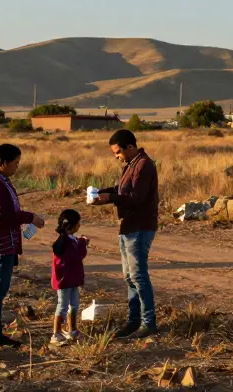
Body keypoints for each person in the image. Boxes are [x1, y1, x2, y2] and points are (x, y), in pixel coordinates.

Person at [91, 129, 159, 338]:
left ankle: (148, 323)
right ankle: (133, 321)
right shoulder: (131, 165)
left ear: (130, 147)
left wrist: (109, 199)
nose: (116, 156)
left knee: (138, 275)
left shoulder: (144, 165)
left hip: (139, 226)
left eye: (118, 152)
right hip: (128, 226)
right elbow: (122, 189)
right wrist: (103, 192)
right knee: (129, 277)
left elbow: (135, 198)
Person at [0, 143, 45, 347]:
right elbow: (1, 217)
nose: (17, 167)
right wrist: (30, 217)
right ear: (4, 163)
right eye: (15, 163)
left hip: (2, 244)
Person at [50, 209, 89, 346]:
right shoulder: (64, 243)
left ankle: (72, 329)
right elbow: (78, 256)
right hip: (65, 281)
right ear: (72, 226)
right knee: (63, 305)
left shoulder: (69, 240)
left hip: (71, 280)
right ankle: (56, 333)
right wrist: (83, 243)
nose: (79, 226)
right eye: (78, 224)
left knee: (74, 305)